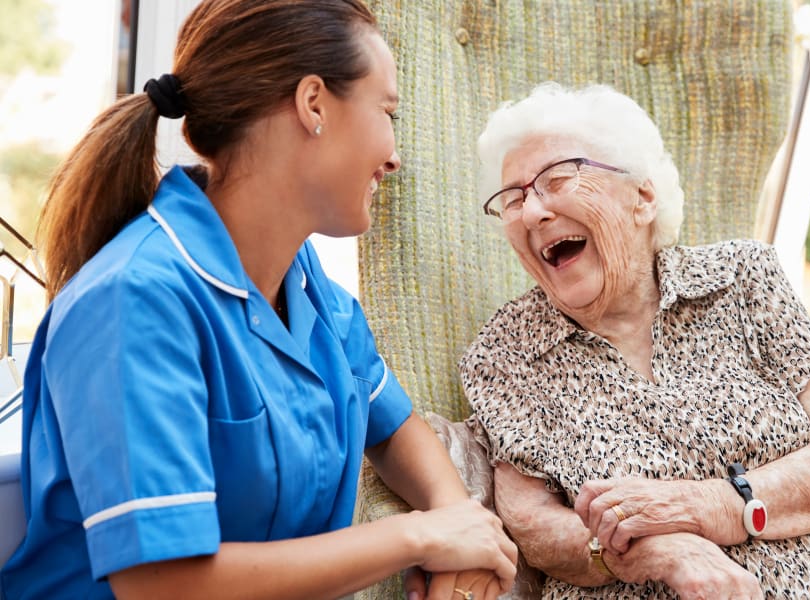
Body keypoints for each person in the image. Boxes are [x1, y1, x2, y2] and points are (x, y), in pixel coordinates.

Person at [0, 1, 518, 599]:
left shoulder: (302, 282)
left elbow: (393, 426)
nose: (395, 155)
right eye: (387, 111)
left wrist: (460, 524)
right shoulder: (133, 301)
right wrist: (421, 538)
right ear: (314, 104)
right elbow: (164, 584)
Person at [459, 82, 810, 599]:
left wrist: (705, 508)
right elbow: (536, 530)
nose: (532, 213)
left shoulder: (742, 278)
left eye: (557, 179)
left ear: (642, 197)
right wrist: (664, 551)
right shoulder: (506, 353)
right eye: (513, 199)